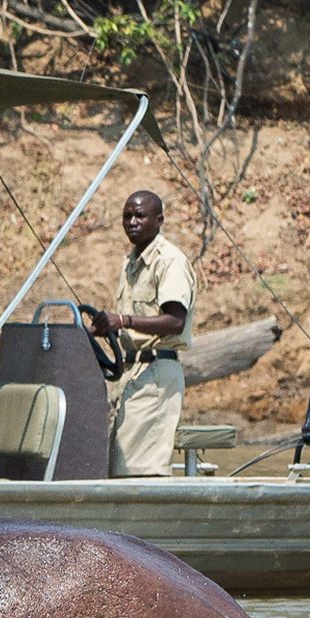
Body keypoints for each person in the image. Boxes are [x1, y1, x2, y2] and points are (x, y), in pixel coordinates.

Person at [88, 189, 196, 477]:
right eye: (127, 216)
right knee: (119, 464)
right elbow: (131, 323)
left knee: (140, 468)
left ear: (159, 220)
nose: (132, 222)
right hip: (131, 372)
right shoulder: (131, 262)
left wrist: (123, 320)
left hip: (157, 373)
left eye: (139, 215)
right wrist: (104, 328)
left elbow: (175, 321)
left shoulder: (169, 261)